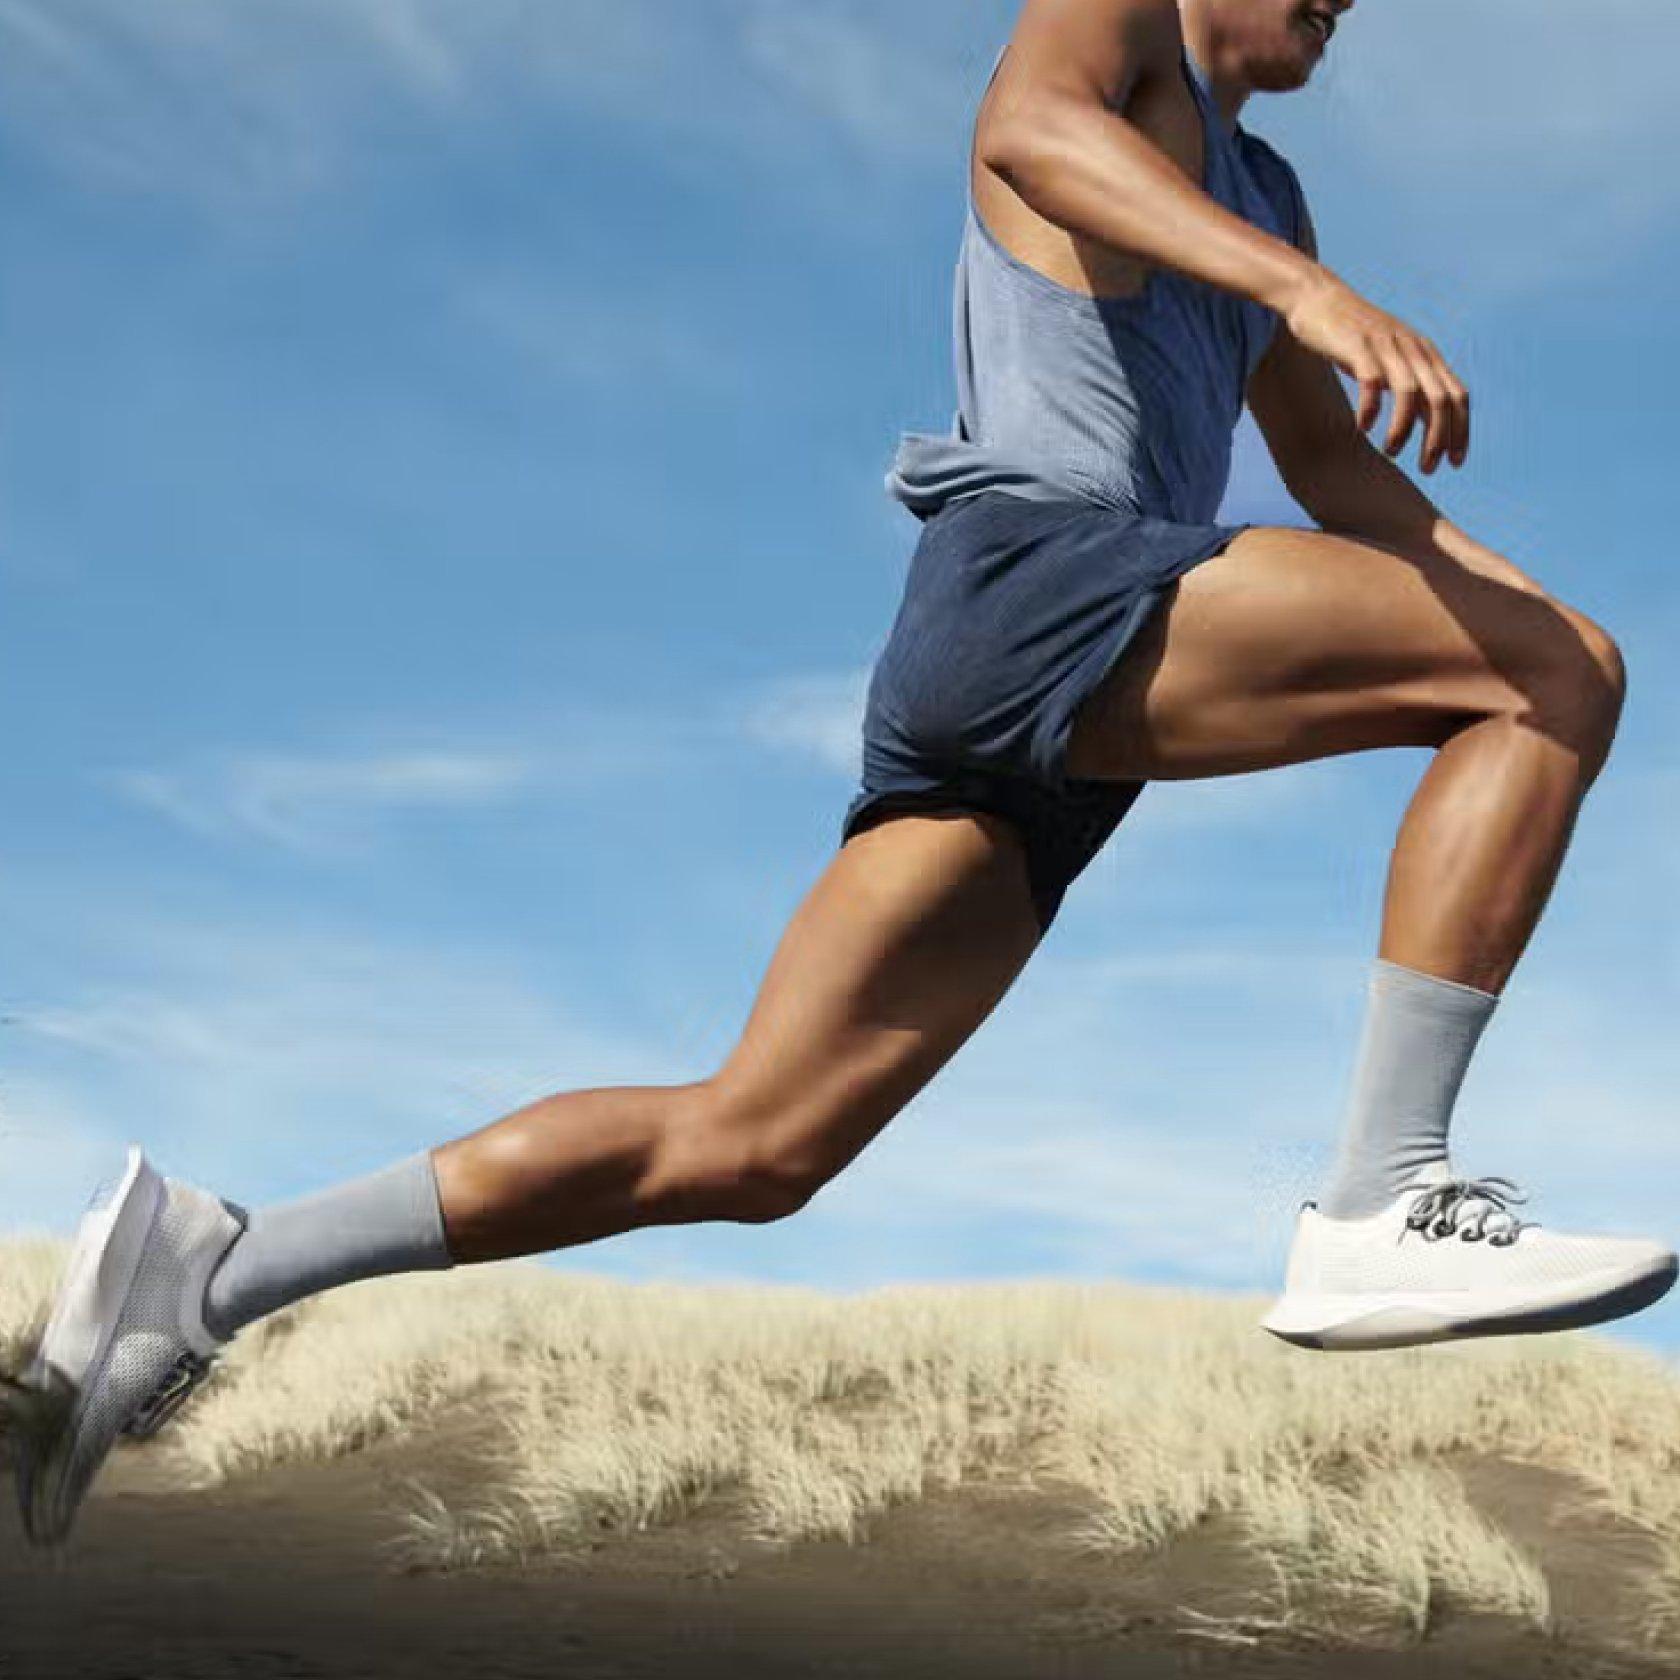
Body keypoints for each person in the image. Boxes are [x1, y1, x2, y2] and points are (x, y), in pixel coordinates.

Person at [11, 0, 1674, 1549]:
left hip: (1022, 699)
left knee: (752, 1143)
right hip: (1043, 576)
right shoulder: (1121, 32)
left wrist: (1536, 622)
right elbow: (1029, 129)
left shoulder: (1271, 199)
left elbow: (1332, 472)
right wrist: (1322, 321)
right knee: (1551, 674)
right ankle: (1382, 1195)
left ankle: (214, 1272)